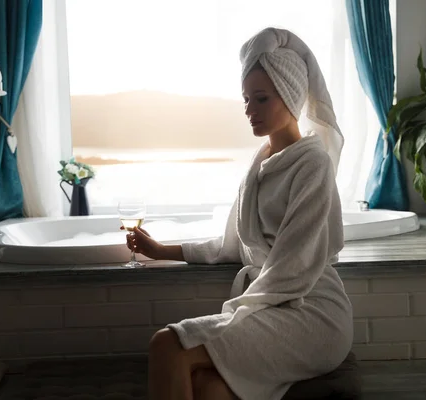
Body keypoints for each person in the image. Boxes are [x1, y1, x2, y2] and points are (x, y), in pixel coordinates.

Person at [126, 27, 353, 400]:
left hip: (312, 313)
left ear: (290, 95)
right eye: (246, 99)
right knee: (205, 387)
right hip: (274, 305)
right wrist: (162, 250)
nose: (249, 109)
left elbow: (292, 266)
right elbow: (232, 244)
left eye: (261, 99)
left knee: (167, 345)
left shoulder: (313, 164)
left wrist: (236, 314)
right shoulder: (259, 164)